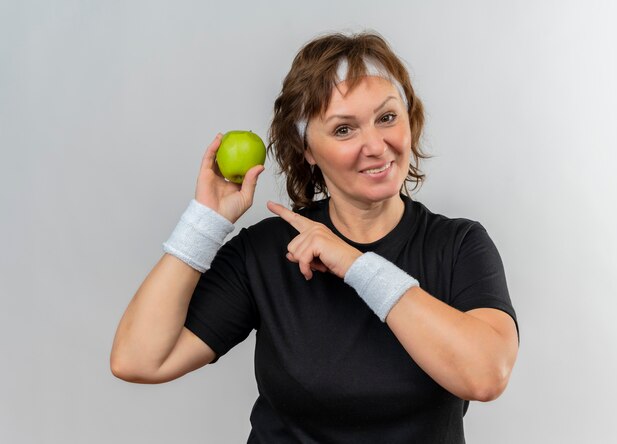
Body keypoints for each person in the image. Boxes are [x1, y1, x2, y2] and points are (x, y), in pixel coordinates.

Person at [110, 31, 519, 443]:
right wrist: (203, 223)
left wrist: (358, 266)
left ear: (409, 119)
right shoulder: (266, 251)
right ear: (306, 148)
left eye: (387, 117)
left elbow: (486, 375)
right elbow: (139, 360)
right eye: (344, 130)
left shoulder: (458, 245)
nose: (375, 145)